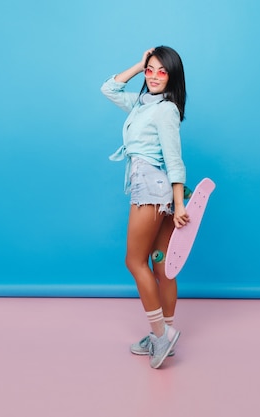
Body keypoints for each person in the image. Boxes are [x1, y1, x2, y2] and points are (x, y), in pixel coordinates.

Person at [101, 46, 189, 369]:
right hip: (154, 190)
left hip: (151, 191)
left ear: (172, 76)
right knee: (160, 265)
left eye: (160, 71)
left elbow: (174, 161)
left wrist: (179, 205)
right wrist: (138, 66)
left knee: (134, 261)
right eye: (150, 70)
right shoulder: (141, 105)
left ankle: (161, 335)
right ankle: (163, 335)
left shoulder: (165, 111)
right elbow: (109, 88)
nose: (153, 77)